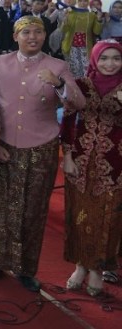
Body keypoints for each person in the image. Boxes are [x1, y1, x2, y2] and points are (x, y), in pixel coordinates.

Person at [0, 16, 85, 291]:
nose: (33, 37)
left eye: (38, 32)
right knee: (0, 206)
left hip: (42, 147)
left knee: (34, 208)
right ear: (16, 36)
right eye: (26, 32)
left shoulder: (57, 66)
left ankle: (26, 268)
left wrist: (59, 85)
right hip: (5, 146)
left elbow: (78, 102)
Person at [61, 40, 122, 297]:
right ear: (95, 59)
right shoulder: (81, 85)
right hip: (81, 161)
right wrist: (67, 156)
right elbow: (68, 120)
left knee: (109, 217)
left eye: (116, 58)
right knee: (79, 214)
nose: (110, 63)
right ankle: (79, 266)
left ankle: (97, 269)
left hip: (114, 165)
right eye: (104, 58)